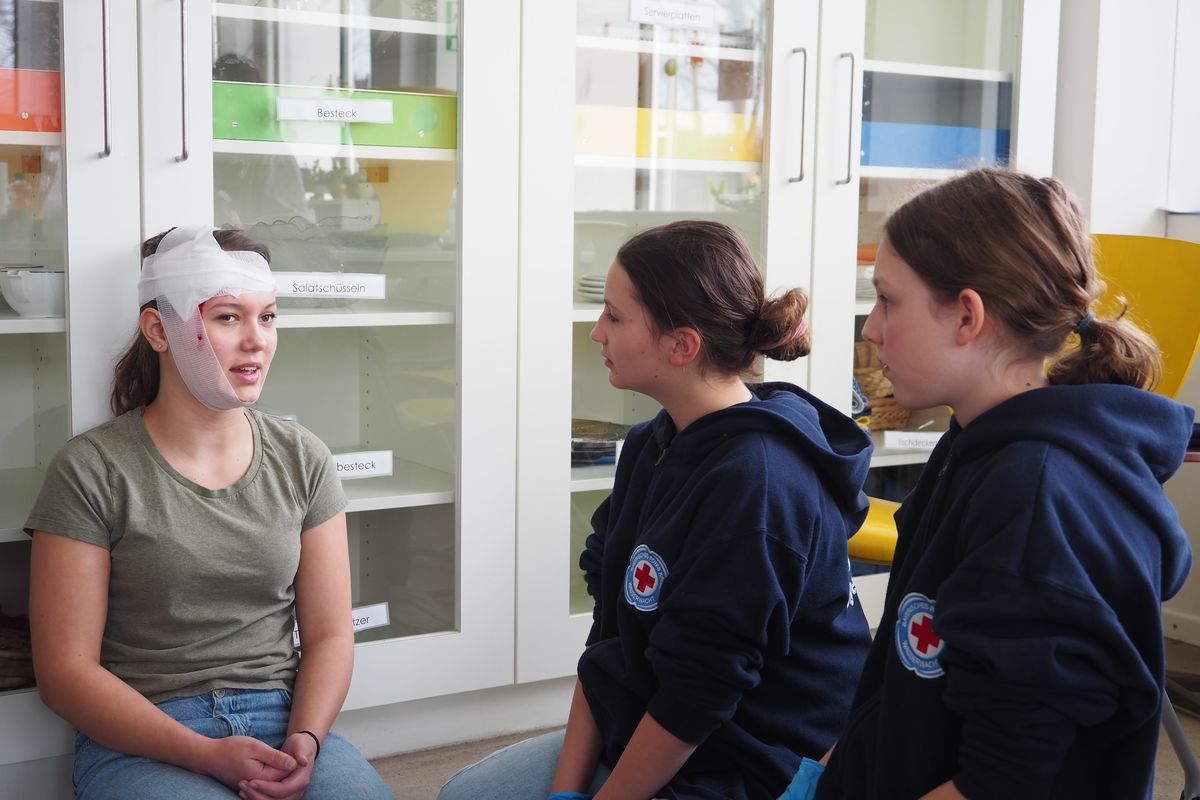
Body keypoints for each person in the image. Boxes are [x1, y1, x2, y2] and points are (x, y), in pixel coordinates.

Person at [439, 219, 874, 800]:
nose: (597, 332)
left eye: (614, 317)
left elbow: (699, 694)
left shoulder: (757, 482)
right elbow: (608, 640)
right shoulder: (653, 442)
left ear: (681, 345)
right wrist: (567, 791)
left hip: (755, 765)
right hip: (667, 723)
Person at [811, 167, 1194, 800]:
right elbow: (907, 676)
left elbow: (1005, 778)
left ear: (968, 316)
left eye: (888, 300)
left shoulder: (1033, 496)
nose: (870, 329)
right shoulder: (972, 441)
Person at [26, 226, 395, 800]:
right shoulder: (91, 469)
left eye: (267, 317)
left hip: (282, 718)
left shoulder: (304, 458)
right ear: (159, 330)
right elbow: (64, 673)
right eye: (227, 317)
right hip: (143, 734)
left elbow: (329, 635)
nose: (257, 341)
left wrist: (307, 738)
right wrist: (203, 753)